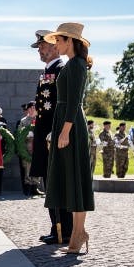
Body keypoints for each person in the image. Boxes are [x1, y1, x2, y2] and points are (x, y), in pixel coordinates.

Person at [44, 22, 94, 254]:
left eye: (59, 41)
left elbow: (74, 101)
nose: (56, 46)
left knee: (76, 177)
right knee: (71, 177)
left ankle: (78, 233)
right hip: (66, 121)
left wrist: (65, 131)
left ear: (70, 41)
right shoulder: (73, 65)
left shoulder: (76, 65)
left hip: (71, 125)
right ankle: (77, 233)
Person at [29, 30, 72, 245]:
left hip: (52, 136)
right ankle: (58, 228)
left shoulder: (61, 70)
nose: (40, 50)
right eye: (39, 47)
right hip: (45, 135)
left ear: (55, 45)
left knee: (57, 183)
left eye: (42, 46)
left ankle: (64, 229)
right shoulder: (48, 70)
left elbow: (62, 105)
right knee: (49, 183)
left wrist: (55, 133)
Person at [18, 101, 41, 196]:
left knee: (37, 167)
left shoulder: (40, 120)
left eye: (34, 108)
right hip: (27, 147)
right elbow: (20, 134)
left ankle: (35, 188)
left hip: (38, 147)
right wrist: (27, 134)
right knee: (27, 168)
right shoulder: (24, 121)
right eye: (30, 108)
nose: (32, 110)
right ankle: (27, 188)